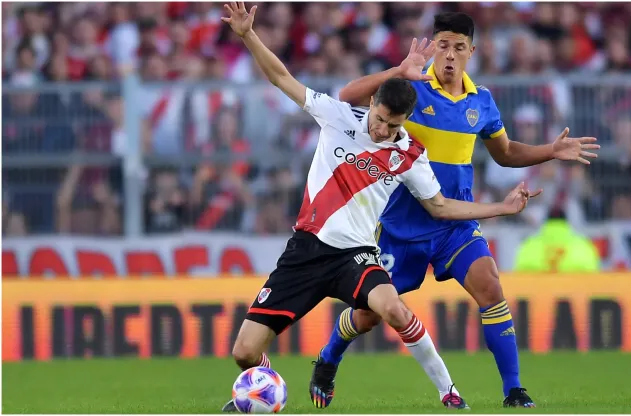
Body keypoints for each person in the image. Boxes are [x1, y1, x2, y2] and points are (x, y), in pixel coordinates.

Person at [219, 3, 542, 412]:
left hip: (357, 255)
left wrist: (502, 208)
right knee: (244, 353)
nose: (382, 131)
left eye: (393, 126)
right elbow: (282, 77)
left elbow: (441, 207)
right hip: (307, 249)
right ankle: (263, 383)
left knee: (395, 308)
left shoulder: (408, 153)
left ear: (405, 122)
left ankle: (452, 392)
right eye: (380, 120)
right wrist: (248, 34)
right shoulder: (338, 117)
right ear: (373, 105)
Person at [313, 12, 600, 409]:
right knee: (368, 316)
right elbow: (347, 98)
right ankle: (328, 358)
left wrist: (550, 150)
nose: (449, 55)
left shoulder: (480, 101)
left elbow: (506, 153)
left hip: (455, 224)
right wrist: (396, 71)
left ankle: (514, 390)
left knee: (490, 285)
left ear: (471, 52)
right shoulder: (411, 90)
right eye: (443, 45)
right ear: (433, 47)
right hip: (401, 226)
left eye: (458, 47)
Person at [514, 208, 601, 273]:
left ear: (546, 222)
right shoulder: (583, 245)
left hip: (539, 294)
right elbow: (594, 279)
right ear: (566, 222)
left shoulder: (529, 245)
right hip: (574, 295)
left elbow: (519, 276)